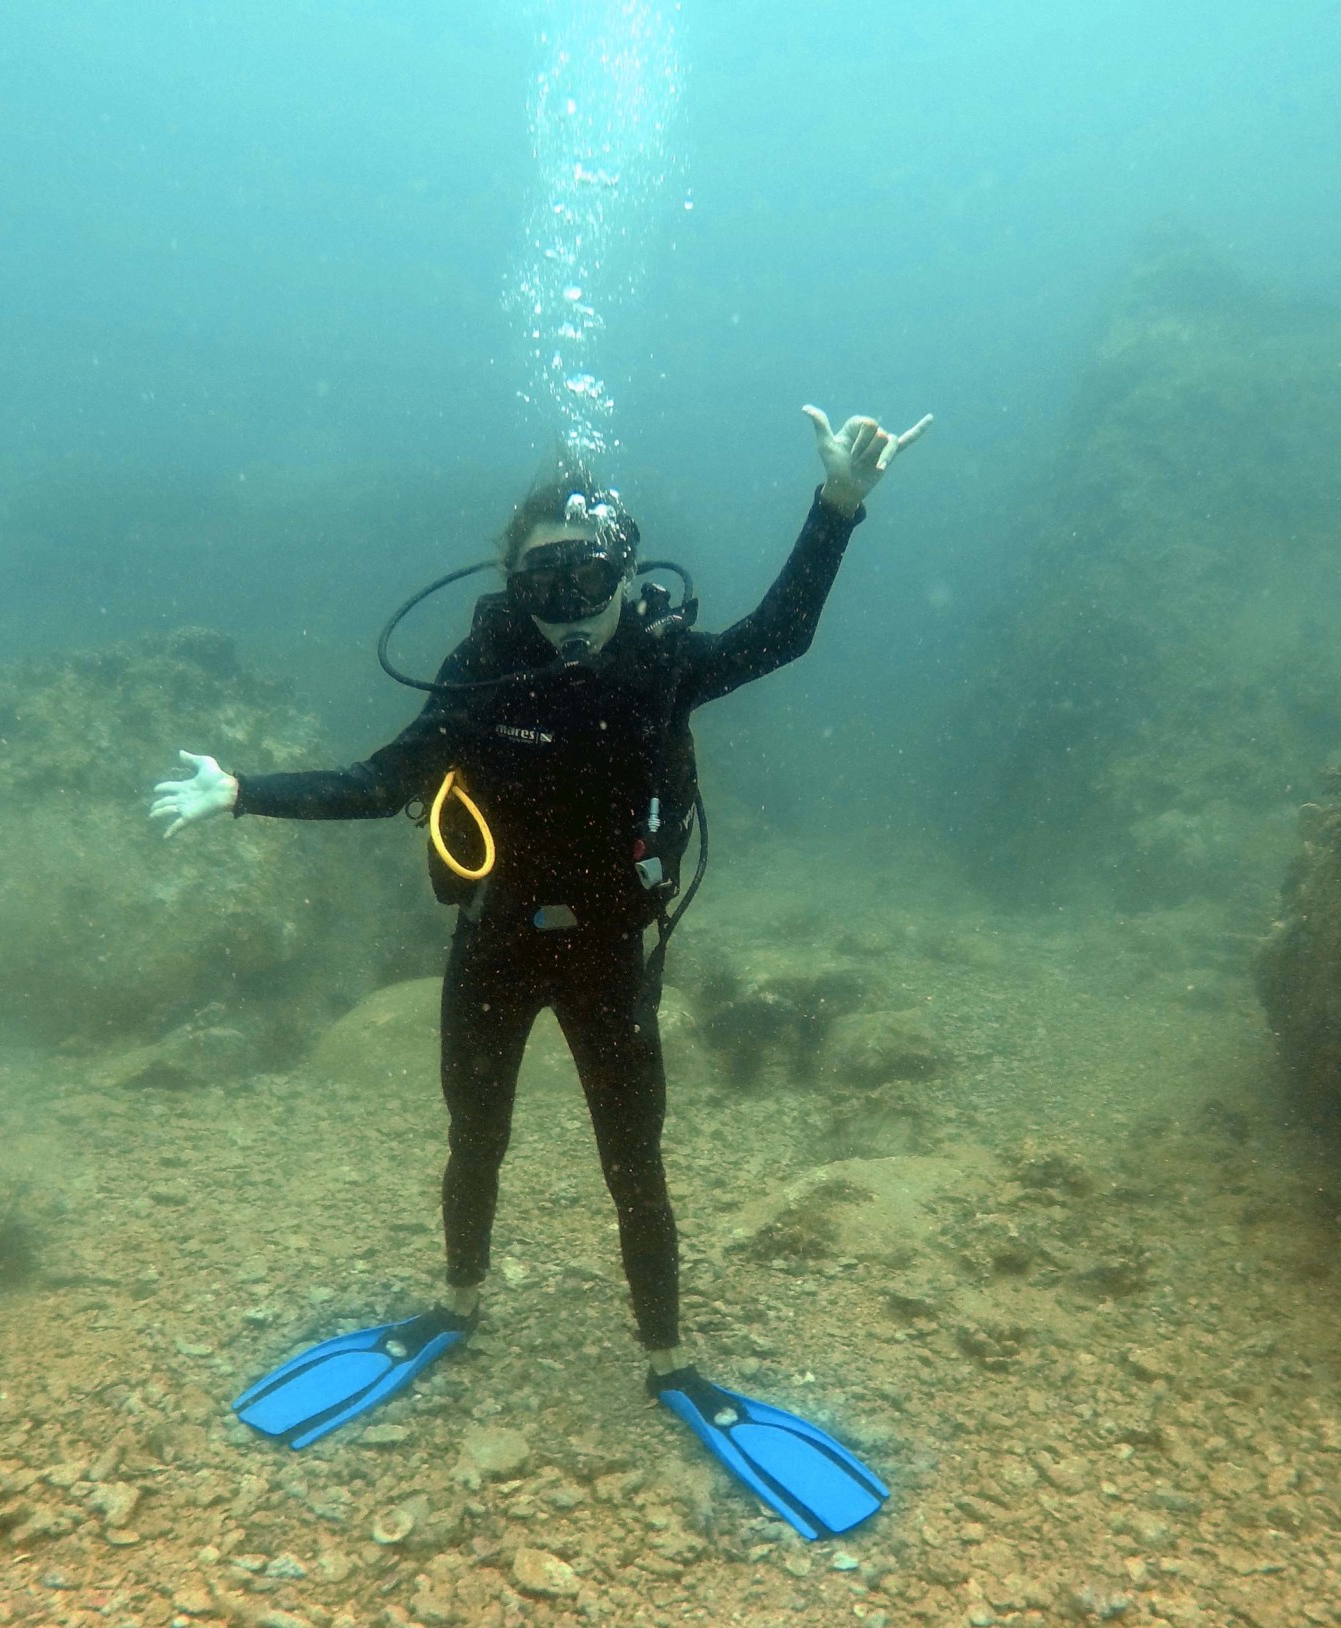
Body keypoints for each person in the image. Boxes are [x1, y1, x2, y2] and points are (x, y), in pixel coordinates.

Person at [150, 405, 929, 1538]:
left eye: (587, 574)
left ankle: (668, 1358)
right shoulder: (481, 674)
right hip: (499, 945)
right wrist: (242, 794)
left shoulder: (661, 658)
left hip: (611, 952)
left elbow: (784, 633)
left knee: (635, 1161)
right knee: (477, 1134)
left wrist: (837, 508)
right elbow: (382, 780)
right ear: (513, 585)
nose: (568, 604)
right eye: (544, 581)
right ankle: (458, 1300)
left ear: (623, 563)